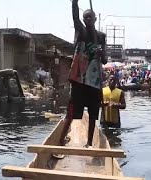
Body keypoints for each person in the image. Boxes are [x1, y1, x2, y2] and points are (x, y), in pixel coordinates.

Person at [59, 0, 107, 147]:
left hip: (94, 81)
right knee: (72, 112)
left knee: (93, 115)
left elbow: (104, 60)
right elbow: (75, 17)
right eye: (85, 17)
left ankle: (90, 143)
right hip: (79, 79)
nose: (87, 19)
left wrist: (101, 54)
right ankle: (61, 140)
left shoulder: (101, 36)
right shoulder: (81, 30)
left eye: (89, 17)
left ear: (95, 19)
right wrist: (74, 2)